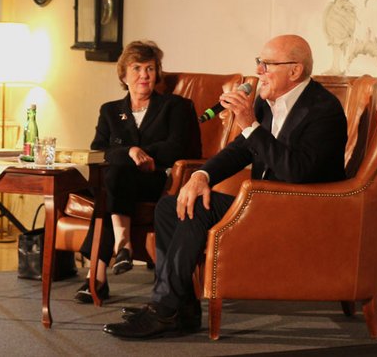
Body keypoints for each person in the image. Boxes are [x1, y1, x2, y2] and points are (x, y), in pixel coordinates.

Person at [102, 34, 348, 338]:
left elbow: (297, 171)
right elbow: (241, 150)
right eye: (260, 63)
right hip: (265, 203)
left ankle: (164, 309)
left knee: (197, 209)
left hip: (296, 210)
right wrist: (201, 176)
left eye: (267, 64)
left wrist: (248, 123)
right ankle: (183, 309)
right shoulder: (268, 103)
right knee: (172, 205)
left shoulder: (324, 109)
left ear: (295, 71)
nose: (259, 71)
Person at [74, 40, 201, 304]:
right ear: (123, 75)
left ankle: (97, 275)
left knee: (110, 182)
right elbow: (98, 150)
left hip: (158, 180)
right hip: (120, 180)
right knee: (113, 176)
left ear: (158, 73)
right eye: (137, 68)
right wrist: (130, 151)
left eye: (150, 68)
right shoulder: (110, 111)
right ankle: (121, 248)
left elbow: (179, 146)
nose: (144, 75)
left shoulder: (175, 106)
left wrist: (145, 156)